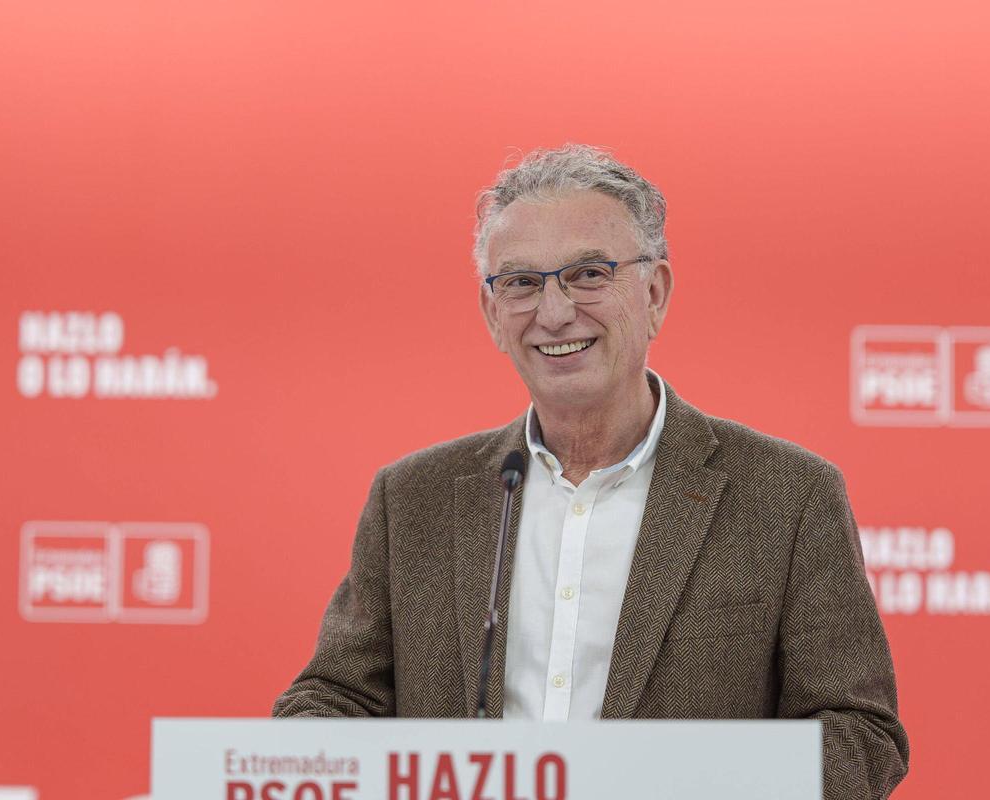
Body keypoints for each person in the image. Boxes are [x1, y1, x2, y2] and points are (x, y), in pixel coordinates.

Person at [273, 144, 909, 798]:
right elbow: (334, 696)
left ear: (654, 292)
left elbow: (859, 733)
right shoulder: (413, 500)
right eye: (520, 282)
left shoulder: (787, 496)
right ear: (493, 315)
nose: (553, 312)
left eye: (587, 274)